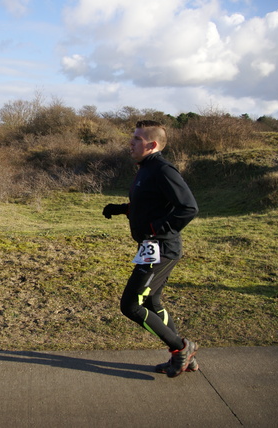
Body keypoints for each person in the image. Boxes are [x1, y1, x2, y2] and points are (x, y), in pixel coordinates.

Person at [102, 120, 199, 378]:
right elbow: (151, 203)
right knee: (152, 301)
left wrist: (157, 229)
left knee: (131, 305)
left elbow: (188, 207)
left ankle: (181, 349)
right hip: (151, 247)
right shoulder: (145, 169)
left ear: (152, 144)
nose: (130, 143)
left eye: (136, 139)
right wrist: (121, 208)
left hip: (162, 249)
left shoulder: (163, 170)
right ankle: (185, 358)